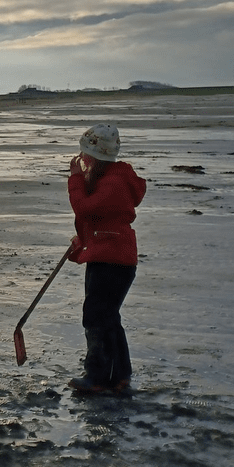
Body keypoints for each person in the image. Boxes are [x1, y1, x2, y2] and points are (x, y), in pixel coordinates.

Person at [66, 124, 146, 393]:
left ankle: (98, 377)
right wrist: (84, 240)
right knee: (108, 317)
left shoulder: (113, 182)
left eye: (85, 155)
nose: (82, 160)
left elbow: (85, 209)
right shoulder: (109, 178)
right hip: (112, 254)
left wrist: (75, 179)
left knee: (96, 317)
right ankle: (120, 376)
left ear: (96, 157)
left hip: (112, 259)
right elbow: (102, 219)